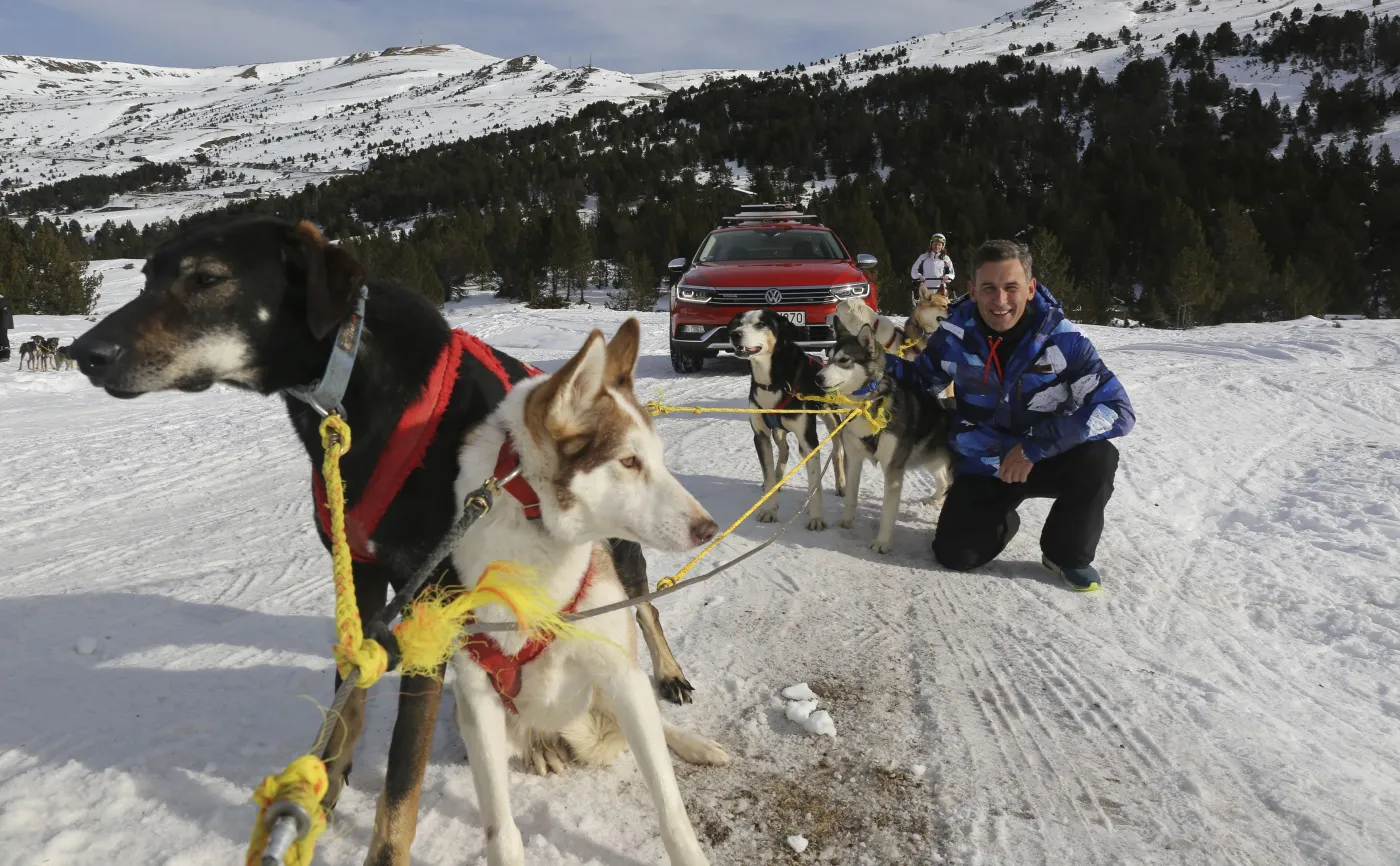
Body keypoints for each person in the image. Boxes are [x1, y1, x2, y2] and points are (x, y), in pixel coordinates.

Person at [885, 239, 1134, 591]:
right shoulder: (954, 337)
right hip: (985, 464)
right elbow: (920, 380)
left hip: (1045, 457)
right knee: (955, 555)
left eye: (1011, 288)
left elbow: (1117, 410)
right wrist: (870, 364)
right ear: (971, 291)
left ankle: (1066, 554)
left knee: (1099, 457)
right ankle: (1000, 518)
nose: (1000, 301)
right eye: (988, 288)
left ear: (1030, 289)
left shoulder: (1064, 342)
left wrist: (1035, 447)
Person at [910, 233, 955, 303]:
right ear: (931, 244)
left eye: (939, 244)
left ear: (943, 246)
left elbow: (952, 274)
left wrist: (947, 276)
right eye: (934, 244)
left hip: (941, 290)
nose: (936, 246)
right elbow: (913, 271)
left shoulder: (946, 259)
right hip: (926, 290)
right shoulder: (923, 257)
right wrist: (919, 276)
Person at [0, 293, 12, 363]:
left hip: (3, 323)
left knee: (3, 337)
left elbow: (6, 312)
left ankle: (5, 355)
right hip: (3, 323)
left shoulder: (3, 301)